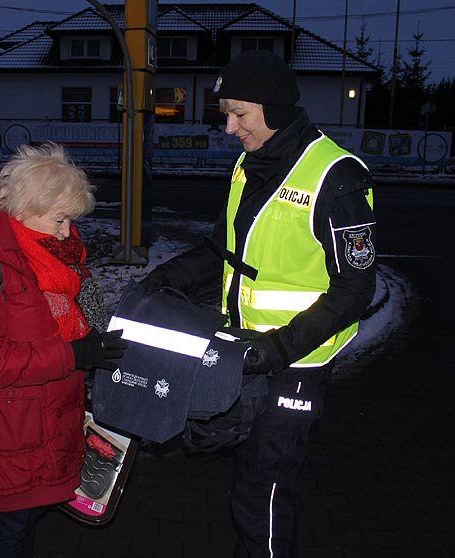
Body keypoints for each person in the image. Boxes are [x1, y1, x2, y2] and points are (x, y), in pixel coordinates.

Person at [141, 50, 376, 557]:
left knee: (262, 489)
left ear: (273, 108)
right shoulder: (251, 163)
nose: (228, 127)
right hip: (244, 351)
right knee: (248, 473)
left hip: (297, 362)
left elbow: (356, 289)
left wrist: (277, 350)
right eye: (225, 112)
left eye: (238, 112)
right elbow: (226, 248)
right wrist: (164, 278)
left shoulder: (336, 177)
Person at [0, 142, 127, 557]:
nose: (68, 232)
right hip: (5, 429)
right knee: (11, 527)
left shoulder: (57, 258)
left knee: (28, 521)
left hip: (46, 420)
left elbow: (79, 318)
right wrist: (75, 355)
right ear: (23, 210)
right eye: (60, 220)